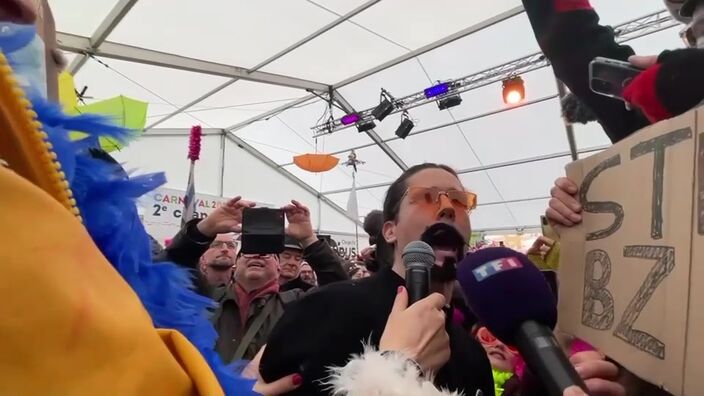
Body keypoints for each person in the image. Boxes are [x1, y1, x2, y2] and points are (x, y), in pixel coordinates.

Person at [257, 163, 625, 396]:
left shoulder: (473, 357)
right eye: (427, 198)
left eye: (459, 201)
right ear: (389, 230)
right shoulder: (328, 308)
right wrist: (396, 370)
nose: (448, 207)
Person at [160, 199, 348, 295]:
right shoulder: (208, 298)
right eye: (249, 252)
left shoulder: (296, 303)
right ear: (236, 263)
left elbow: (340, 291)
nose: (258, 255)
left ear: (277, 268)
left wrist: (309, 238)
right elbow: (171, 268)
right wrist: (205, 228)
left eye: (267, 254)